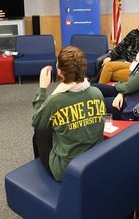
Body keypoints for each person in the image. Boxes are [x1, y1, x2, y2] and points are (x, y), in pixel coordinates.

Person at [32, 46, 106, 181]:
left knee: (39, 132)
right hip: (94, 162)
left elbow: (37, 122)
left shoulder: (55, 101)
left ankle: (41, 175)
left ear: (59, 71)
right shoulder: (97, 93)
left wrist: (42, 89)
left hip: (66, 170)